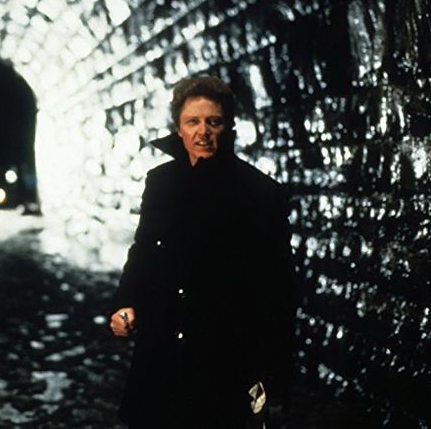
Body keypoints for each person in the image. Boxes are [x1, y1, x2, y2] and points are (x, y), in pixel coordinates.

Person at [110, 75, 296, 428]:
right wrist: (125, 300)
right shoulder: (160, 182)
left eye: (214, 122)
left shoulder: (260, 193)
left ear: (229, 127)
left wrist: (275, 375)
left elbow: (279, 289)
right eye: (192, 122)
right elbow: (146, 247)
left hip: (225, 354)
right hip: (163, 345)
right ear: (178, 129)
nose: (203, 132)